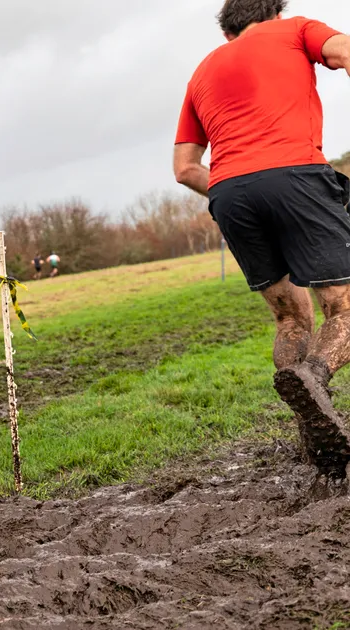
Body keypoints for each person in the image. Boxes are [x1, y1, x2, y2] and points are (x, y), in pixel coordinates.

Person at [173, 0, 350, 477]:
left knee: (291, 319)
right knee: (343, 306)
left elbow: (185, 169)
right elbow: (345, 51)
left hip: (229, 191)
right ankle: (314, 376)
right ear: (272, 12)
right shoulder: (295, 29)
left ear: (229, 29)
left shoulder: (203, 69)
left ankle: (315, 430)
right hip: (294, 173)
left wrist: (237, 182)